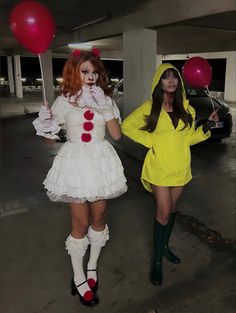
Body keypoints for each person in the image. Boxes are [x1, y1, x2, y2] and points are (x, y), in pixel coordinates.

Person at [33, 48, 127, 306]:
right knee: (80, 224)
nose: (90, 77)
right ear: (74, 71)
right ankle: (78, 276)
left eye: (95, 72)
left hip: (100, 164)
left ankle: (92, 267)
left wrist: (106, 106)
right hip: (75, 166)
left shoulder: (105, 98)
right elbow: (48, 142)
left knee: (99, 218)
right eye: (85, 71)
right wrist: (46, 125)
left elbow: (117, 136)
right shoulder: (63, 100)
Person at [121, 63, 219, 286]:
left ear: (179, 82)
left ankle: (165, 247)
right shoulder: (150, 107)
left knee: (173, 209)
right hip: (159, 168)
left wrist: (206, 128)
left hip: (181, 167)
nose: (171, 81)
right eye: (166, 77)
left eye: (174, 77)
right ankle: (156, 262)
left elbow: (188, 138)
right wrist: (152, 142)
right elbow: (127, 127)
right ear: (159, 82)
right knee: (163, 212)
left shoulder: (188, 109)